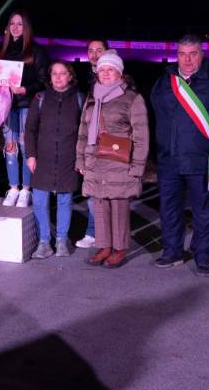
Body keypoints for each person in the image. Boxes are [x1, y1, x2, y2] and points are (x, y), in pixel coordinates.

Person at [150, 34, 209, 276]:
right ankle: (172, 252)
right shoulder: (164, 80)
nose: (187, 59)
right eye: (182, 54)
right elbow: (156, 116)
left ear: (202, 55)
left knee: (204, 211)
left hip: (202, 159)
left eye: (193, 54)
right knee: (169, 209)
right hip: (168, 159)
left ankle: (203, 257)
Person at [75, 53, 149, 268]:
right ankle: (104, 245)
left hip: (119, 162)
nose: (106, 73)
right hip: (95, 162)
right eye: (102, 69)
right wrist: (80, 160)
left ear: (120, 73)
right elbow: (83, 131)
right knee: (99, 206)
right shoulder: (92, 97)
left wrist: (138, 166)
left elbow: (141, 136)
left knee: (118, 206)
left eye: (111, 69)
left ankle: (120, 248)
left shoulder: (132, 98)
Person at [25, 61, 83, 258]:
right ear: (50, 77)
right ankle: (44, 242)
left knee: (65, 201)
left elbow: (84, 133)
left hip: (68, 159)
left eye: (63, 73)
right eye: (54, 74)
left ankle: (61, 240)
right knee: (40, 201)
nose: (58, 77)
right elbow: (30, 130)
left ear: (70, 76)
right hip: (44, 158)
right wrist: (31, 155)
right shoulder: (40, 98)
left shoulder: (79, 99)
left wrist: (81, 158)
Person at [0, 10, 49, 207]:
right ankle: (13, 187)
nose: (15, 27)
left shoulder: (36, 50)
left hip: (26, 105)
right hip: (8, 105)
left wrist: (25, 89)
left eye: (20, 24)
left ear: (26, 28)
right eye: (12, 23)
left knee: (26, 146)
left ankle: (26, 189)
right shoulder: (2, 48)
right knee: (10, 147)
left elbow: (44, 81)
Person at [74, 38, 110, 250]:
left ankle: (110, 236)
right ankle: (92, 232)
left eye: (100, 50)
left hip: (111, 142)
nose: (95, 55)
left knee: (111, 192)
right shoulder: (81, 78)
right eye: (91, 51)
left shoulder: (120, 78)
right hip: (89, 140)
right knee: (91, 190)